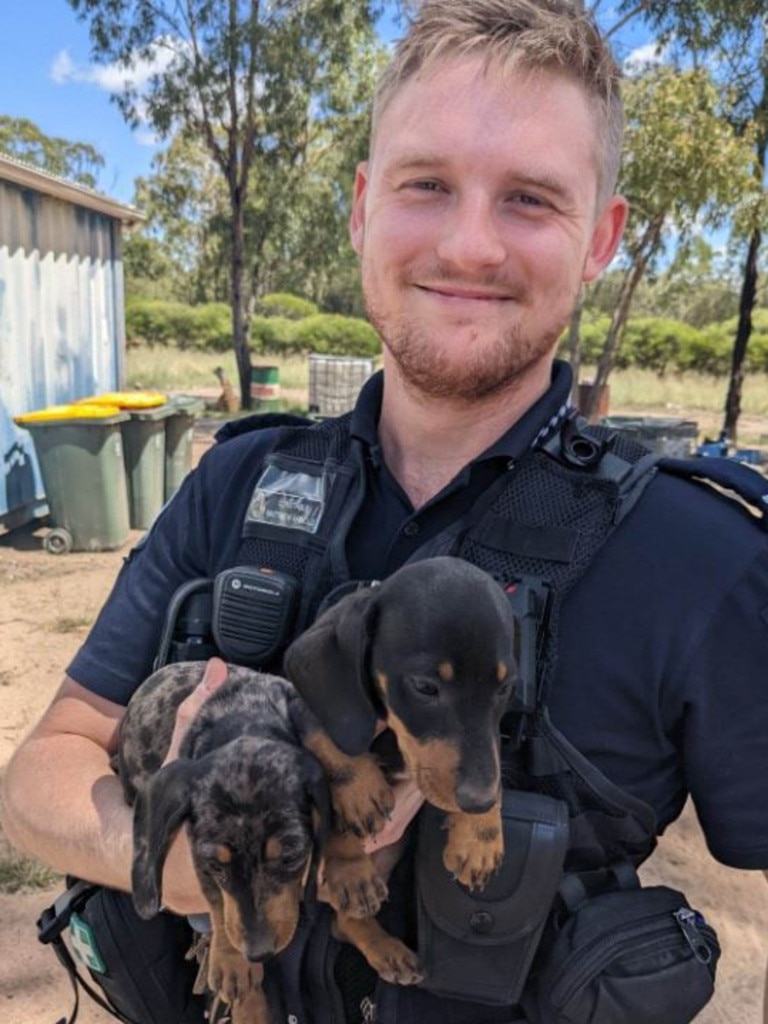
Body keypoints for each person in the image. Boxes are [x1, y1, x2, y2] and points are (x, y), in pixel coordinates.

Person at [4, 1, 768, 1021]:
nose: (470, 244)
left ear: (602, 239)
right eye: (427, 185)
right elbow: (42, 773)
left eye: (531, 199)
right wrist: (187, 862)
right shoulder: (236, 484)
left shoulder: (701, 556)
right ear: (364, 207)